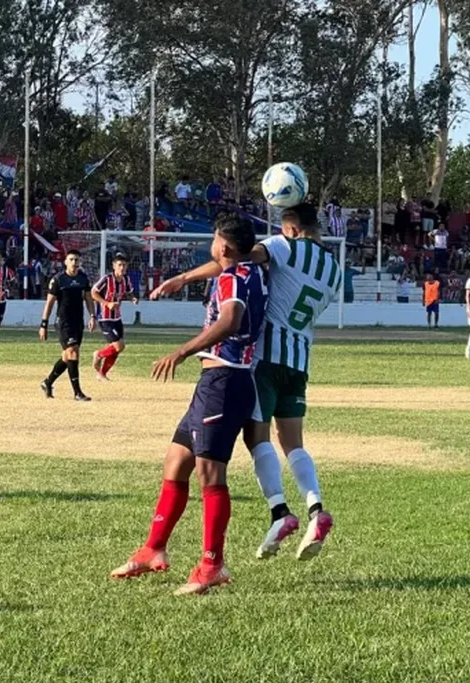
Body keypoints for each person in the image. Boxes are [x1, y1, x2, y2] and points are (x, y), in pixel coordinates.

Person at [150, 204, 340, 561]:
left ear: (291, 229)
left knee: (257, 438)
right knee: (294, 443)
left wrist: (185, 278)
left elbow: (235, 258)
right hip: (299, 359)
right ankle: (316, 508)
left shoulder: (285, 246)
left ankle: (279, 511)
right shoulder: (333, 266)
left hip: (264, 358)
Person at [110, 214, 266, 595]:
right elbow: (222, 266)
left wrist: (181, 350)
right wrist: (183, 278)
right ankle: (154, 548)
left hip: (225, 380)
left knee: (210, 474)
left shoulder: (232, 279)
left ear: (224, 246)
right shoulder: (250, 268)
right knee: (176, 460)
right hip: (216, 381)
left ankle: (213, 564)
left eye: (215, 239)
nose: (213, 245)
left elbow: (230, 319)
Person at [39, 250, 96, 401]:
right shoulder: (58, 279)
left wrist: (92, 316)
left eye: (77, 260)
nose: (74, 262)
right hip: (63, 322)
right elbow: (49, 303)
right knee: (73, 353)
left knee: (67, 357)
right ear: (65, 262)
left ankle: (47, 382)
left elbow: (89, 299)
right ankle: (77, 393)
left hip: (78, 322)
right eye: (71, 259)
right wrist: (43, 324)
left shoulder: (83, 279)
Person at [90, 253, 139, 381]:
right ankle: (98, 354)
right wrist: (107, 303)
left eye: (124, 265)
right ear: (114, 266)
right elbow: (93, 293)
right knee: (119, 345)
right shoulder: (106, 279)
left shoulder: (126, 280)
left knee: (117, 349)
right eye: (119, 265)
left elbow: (129, 292)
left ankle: (102, 373)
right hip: (105, 318)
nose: (122, 268)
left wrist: (133, 298)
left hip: (117, 318)